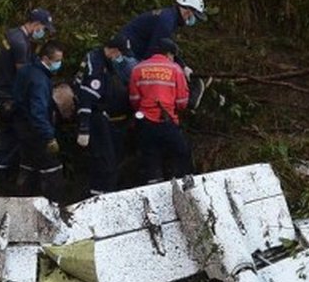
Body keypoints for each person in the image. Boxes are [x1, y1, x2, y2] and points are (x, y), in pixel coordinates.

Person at [0, 8, 56, 173]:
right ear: (35, 24)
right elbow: (24, 75)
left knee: (7, 140)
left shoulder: (12, 34)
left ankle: (2, 176)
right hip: (10, 96)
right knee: (11, 140)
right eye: (43, 28)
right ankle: (1, 179)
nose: (43, 32)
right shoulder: (21, 43)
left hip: (2, 90)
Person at [128, 38, 192, 184]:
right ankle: (181, 185)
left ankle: (153, 186)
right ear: (169, 54)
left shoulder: (138, 69)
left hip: (145, 122)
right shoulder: (175, 69)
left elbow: (134, 99)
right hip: (167, 121)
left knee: (150, 159)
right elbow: (182, 102)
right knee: (181, 154)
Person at [76, 35, 133, 196]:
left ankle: (103, 192)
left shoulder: (99, 59)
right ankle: (101, 197)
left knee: (110, 158)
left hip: (104, 116)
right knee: (105, 161)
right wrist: (84, 128)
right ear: (114, 51)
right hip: (95, 117)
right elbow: (87, 98)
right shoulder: (97, 66)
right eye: (120, 54)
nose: (120, 57)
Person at [12, 41, 66, 203]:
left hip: (22, 128)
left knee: (27, 167)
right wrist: (49, 137)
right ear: (45, 58)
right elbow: (38, 112)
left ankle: (23, 202)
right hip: (37, 133)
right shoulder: (40, 81)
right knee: (51, 170)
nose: (59, 64)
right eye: (56, 60)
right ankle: (54, 206)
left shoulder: (26, 70)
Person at [118, 0, 206, 62]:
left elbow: (167, 47)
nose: (193, 20)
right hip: (126, 53)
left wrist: (183, 66)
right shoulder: (167, 21)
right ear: (188, 11)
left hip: (131, 51)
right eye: (194, 16)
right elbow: (155, 51)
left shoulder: (170, 17)